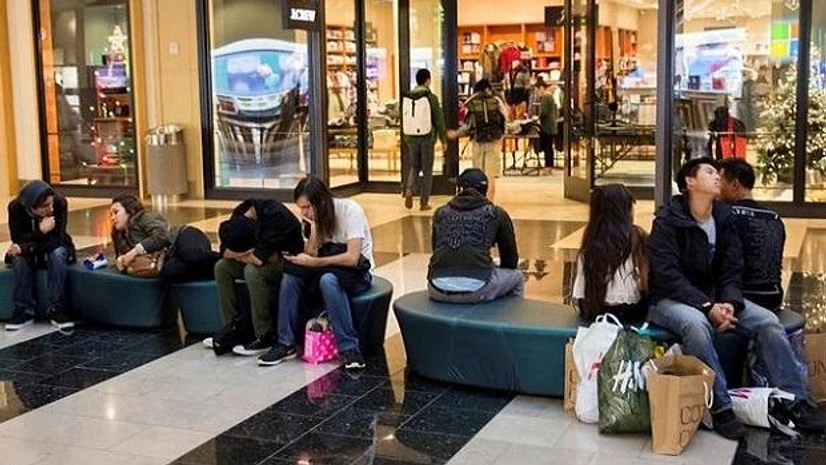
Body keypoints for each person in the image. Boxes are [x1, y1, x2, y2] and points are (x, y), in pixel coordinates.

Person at [648, 158, 824, 440]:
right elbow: (667, 275)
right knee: (696, 325)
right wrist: (707, 306)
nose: (717, 176)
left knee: (767, 321)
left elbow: (733, 269)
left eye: (717, 172)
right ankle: (721, 408)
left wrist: (730, 303)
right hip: (670, 299)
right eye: (709, 172)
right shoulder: (668, 221)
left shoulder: (724, 218)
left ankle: (798, 401)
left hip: (717, 298)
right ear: (689, 182)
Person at [259, 177, 375, 371]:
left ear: (321, 202)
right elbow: (311, 253)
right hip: (327, 266)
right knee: (291, 276)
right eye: (300, 208)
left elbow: (353, 258)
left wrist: (315, 263)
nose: (303, 212)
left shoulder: (350, 211)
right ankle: (285, 342)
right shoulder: (313, 219)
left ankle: (350, 348)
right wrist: (314, 230)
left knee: (328, 281)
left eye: (306, 207)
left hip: (357, 272)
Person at [209, 199, 305, 356]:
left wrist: (239, 255)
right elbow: (224, 252)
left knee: (252, 271)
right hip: (264, 257)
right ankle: (231, 329)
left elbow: (258, 260)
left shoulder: (275, 215)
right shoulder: (241, 214)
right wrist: (244, 253)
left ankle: (264, 334)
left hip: (286, 262)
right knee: (222, 267)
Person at [427, 168, 522, 303]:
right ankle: (510, 314)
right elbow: (510, 260)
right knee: (517, 277)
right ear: (485, 191)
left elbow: (437, 249)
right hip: (478, 290)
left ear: (460, 190)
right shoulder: (496, 213)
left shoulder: (440, 212)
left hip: (437, 287)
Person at [4, 180, 75, 330]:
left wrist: (26, 247)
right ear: (31, 208)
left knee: (57, 253)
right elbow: (18, 239)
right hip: (30, 249)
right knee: (19, 258)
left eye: (51, 203)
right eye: (45, 206)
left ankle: (58, 309)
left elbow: (56, 240)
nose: (50, 209)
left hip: (55, 246)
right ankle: (23, 310)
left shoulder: (59, 203)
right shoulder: (15, 207)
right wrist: (40, 232)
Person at [573, 185, 648, 323]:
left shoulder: (591, 235)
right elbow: (645, 280)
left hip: (591, 308)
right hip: (627, 309)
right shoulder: (635, 235)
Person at [718, 158, 785, 311]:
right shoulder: (774, 218)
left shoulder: (726, 215)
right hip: (774, 297)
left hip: (742, 297)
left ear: (735, 184)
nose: (716, 187)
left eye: (719, 181)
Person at [109, 194, 219, 282]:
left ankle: (223, 259)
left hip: (182, 237)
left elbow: (161, 236)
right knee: (170, 272)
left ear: (130, 211)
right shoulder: (119, 235)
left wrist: (135, 251)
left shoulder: (143, 217)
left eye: (116, 212)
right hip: (169, 256)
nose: (113, 218)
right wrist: (121, 261)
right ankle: (214, 271)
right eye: (111, 214)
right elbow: (123, 261)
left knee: (192, 256)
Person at [449, 79, 508, 201]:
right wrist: (501, 136)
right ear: (488, 89)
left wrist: (456, 134)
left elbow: (467, 126)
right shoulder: (496, 101)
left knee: (478, 175)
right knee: (490, 176)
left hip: (477, 141)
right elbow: (505, 120)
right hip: (493, 142)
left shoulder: (472, 103)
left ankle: (479, 202)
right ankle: (489, 203)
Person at [402, 68, 447, 211]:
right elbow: (439, 120)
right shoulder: (431, 97)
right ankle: (424, 202)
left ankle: (409, 190)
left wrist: (406, 137)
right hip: (427, 137)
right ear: (427, 80)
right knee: (427, 170)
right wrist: (443, 139)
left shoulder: (408, 97)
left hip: (411, 137)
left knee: (414, 166)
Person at [537, 80, 560, 171]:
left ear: (541, 88)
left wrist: (537, 118)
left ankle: (548, 166)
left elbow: (544, 112)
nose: (537, 93)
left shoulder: (545, 97)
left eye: (537, 90)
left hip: (547, 126)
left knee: (547, 147)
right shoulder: (550, 97)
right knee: (549, 146)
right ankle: (549, 166)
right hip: (552, 125)